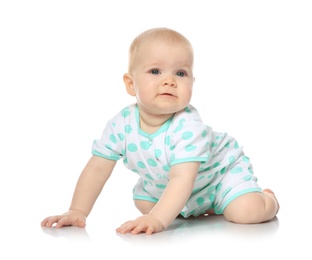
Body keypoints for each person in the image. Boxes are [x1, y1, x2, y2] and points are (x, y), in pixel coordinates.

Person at [41, 27, 279, 235]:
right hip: (174, 186)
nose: (169, 81)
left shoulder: (187, 125)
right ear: (130, 84)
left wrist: (157, 219)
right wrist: (77, 210)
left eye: (180, 73)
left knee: (247, 212)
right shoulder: (121, 123)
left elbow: (182, 177)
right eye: (155, 71)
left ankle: (267, 199)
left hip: (219, 175)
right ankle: (203, 206)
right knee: (145, 203)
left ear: (192, 82)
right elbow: (97, 169)